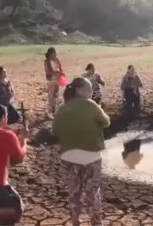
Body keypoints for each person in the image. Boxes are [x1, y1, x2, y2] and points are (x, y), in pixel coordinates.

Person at [52, 77, 110, 226]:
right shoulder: (90, 105)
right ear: (79, 90)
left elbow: (54, 132)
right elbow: (106, 122)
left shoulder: (62, 109)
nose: (91, 92)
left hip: (69, 156)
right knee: (92, 191)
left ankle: (75, 221)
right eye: (88, 88)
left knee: (74, 192)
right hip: (91, 155)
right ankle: (96, 222)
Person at [0, 104, 28, 225]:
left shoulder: (8, 136)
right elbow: (19, 157)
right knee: (17, 210)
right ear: (3, 118)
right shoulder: (8, 136)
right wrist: (23, 140)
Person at [44, 47, 64, 120]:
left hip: (57, 79)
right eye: (55, 53)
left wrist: (61, 73)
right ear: (51, 54)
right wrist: (57, 73)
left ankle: (54, 110)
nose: (56, 54)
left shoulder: (56, 60)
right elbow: (48, 72)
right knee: (51, 96)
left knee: (56, 95)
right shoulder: (47, 61)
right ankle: (49, 112)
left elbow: (60, 68)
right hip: (51, 80)